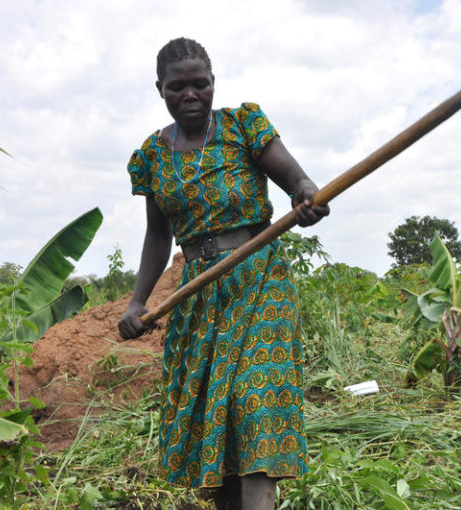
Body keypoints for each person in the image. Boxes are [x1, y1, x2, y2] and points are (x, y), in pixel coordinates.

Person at [117, 37, 329, 510]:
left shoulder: (243, 126)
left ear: (213, 84)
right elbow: (158, 237)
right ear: (161, 90)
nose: (190, 94)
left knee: (255, 400)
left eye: (200, 84)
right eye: (178, 87)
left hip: (258, 279)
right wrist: (137, 302)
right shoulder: (153, 156)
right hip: (198, 295)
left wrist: (306, 193)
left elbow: (295, 179)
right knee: (217, 416)